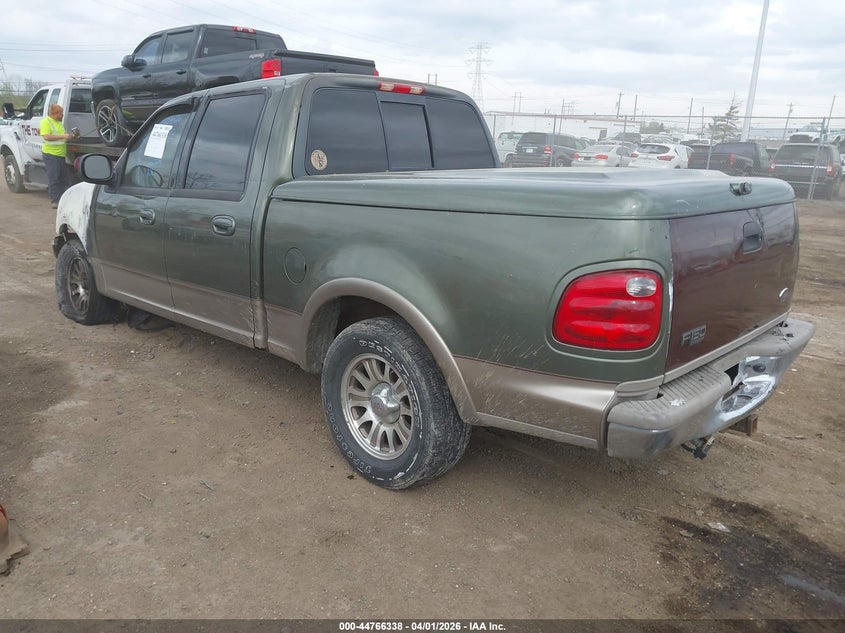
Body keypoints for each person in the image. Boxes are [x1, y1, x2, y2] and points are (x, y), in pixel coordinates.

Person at [40, 104, 75, 208]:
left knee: (62, 178)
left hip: (60, 155)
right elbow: (46, 136)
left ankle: (62, 199)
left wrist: (70, 136)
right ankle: (55, 201)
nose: (62, 115)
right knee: (54, 178)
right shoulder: (46, 122)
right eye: (60, 113)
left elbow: (61, 137)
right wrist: (63, 136)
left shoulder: (58, 123)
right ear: (54, 114)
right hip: (51, 155)